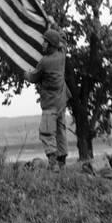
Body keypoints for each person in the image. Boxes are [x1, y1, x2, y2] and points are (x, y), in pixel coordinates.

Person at [23, 29, 68, 171]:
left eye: (45, 42)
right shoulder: (62, 56)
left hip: (50, 104)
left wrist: (24, 73)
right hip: (61, 102)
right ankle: (62, 162)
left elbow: (33, 78)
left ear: (51, 45)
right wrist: (53, 24)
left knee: (47, 132)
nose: (42, 44)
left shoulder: (45, 62)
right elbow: (64, 41)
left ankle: (53, 164)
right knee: (61, 132)